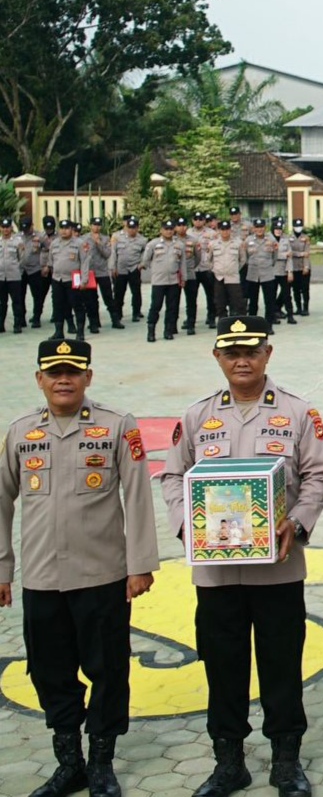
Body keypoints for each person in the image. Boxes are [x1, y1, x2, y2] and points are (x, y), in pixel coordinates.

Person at [160, 316, 323, 797]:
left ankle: (286, 760)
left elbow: (319, 477)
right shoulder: (197, 416)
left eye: (251, 351)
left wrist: (296, 523)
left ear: (267, 354)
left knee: (281, 665)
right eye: (231, 352)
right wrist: (184, 525)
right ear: (217, 356)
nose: (242, 360)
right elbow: (173, 477)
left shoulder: (298, 413)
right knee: (223, 666)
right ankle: (229, 760)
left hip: (277, 569)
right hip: (215, 574)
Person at [1, 339, 159, 797]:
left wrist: (141, 565)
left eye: (73, 371)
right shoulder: (20, 432)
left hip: (103, 576)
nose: (63, 380)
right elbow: (1, 501)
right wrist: (2, 568)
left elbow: (137, 496)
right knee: (50, 672)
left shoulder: (115, 427)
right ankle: (68, 762)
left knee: (108, 670)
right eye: (54, 372)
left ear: (88, 377)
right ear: (39, 379)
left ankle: (102, 764)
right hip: (42, 579)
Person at [140, 220, 185, 343]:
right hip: (159, 281)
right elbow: (146, 260)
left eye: (171, 229)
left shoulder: (179, 245)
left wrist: (184, 278)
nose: (169, 231)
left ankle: (168, 331)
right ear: (161, 230)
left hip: (173, 281)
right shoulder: (153, 244)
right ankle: (151, 331)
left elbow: (182, 263)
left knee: (172, 307)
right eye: (166, 229)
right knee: (156, 306)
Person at [108, 216, 148, 328]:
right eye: (129, 227)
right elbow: (113, 253)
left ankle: (136, 313)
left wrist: (142, 264)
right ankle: (118, 314)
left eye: (134, 228)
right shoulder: (117, 237)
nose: (131, 230)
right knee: (118, 292)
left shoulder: (142, 239)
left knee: (136, 292)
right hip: (120, 269)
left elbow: (147, 252)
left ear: (137, 228)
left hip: (134, 268)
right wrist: (113, 267)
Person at [209, 220, 248, 321]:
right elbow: (209, 260)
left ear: (230, 230)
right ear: (219, 231)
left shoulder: (238, 243)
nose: (225, 232)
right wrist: (216, 269)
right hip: (219, 277)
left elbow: (242, 259)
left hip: (233, 277)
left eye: (227, 229)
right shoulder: (213, 244)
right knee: (220, 302)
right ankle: (223, 323)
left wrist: (234, 269)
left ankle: (240, 323)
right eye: (222, 229)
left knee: (238, 302)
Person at [243, 218, 280, 320]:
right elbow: (245, 257)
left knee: (269, 301)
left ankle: (269, 324)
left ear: (265, 228)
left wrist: (267, 265)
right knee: (253, 301)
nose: (259, 229)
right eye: (257, 227)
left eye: (261, 227)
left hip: (267, 274)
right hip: (252, 274)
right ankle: (252, 323)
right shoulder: (248, 240)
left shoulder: (271, 240)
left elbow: (275, 257)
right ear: (253, 228)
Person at [0, 216, 27, 334]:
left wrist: (17, 270)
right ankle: (1, 324)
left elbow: (22, 258)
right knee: (1, 302)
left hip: (14, 276)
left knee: (17, 301)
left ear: (11, 228)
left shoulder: (18, 241)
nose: (5, 230)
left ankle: (17, 324)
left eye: (8, 227)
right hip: (0, 277)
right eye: (3, 227)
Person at [288, 219, 312, 318]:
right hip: (294, 267)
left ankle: (305, 308)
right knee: (296, 289)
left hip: (304, 267)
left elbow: (307, 253)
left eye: (300, 226)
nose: (298, 228)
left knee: (305, 289)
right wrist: (300, 254)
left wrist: (306, 267)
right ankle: (298, 308)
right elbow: (290, 252)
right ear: (293, 227)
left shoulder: (305, 238)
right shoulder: (289, 238)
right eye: (297, 226)